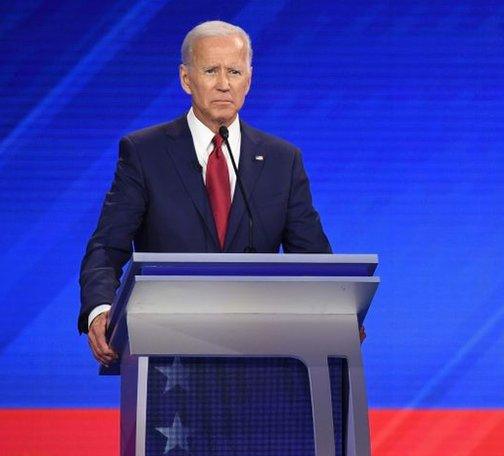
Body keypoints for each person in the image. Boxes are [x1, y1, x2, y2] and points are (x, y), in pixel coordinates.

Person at [79, 21, 331, 365]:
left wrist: (338, 316)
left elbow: (314, 261)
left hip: (260, 355)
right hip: (169, 354)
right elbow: (107, 248)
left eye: (235, 71)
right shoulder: (144, 152)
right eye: (211, 70)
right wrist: (101, 308)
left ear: (249, 80)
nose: (224, 84)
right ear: (186, 79)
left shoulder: (282, 160)